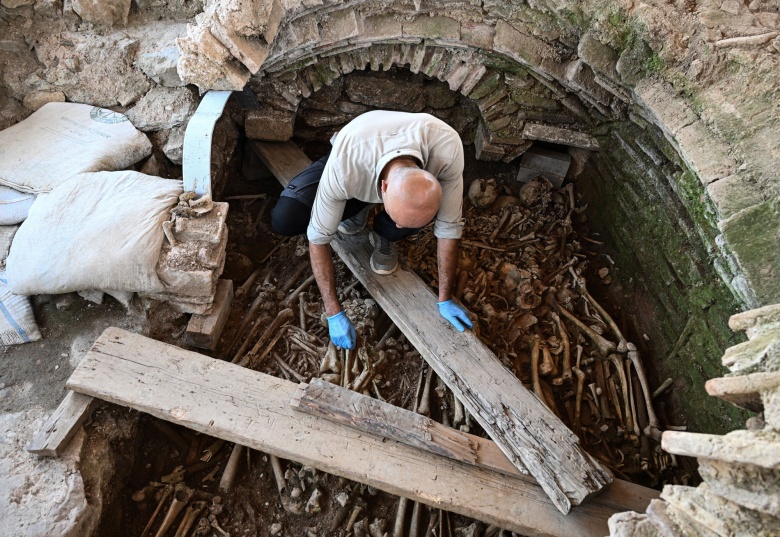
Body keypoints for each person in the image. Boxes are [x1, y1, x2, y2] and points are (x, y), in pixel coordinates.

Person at [271, 110, 473, 349]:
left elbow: (448, 228)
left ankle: (383, 231)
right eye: (396, 218)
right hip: (356, 153)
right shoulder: (345, 166)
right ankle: (358, 207)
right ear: (383, 188)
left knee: (408, 218)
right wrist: (333, 312)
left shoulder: (448, 150)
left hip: (384, 172)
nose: (400, 226)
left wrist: (445, 298)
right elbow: (318, 237)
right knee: (285, 218)